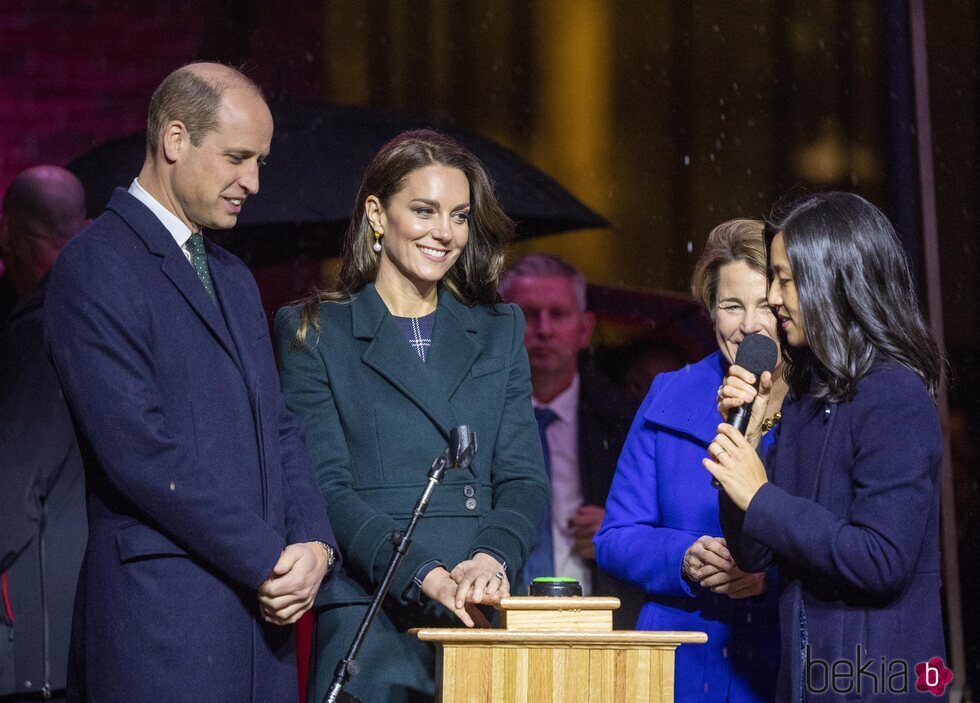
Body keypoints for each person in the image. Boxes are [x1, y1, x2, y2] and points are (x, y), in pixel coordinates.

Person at [44, 63, 338, 703]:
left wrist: (314, 542)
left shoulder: (231, 275)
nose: (253, 182)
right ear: (175, 139)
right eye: (237, 157)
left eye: (259, 161)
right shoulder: (95, 264)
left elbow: (278, 424)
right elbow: (140, 452)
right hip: (166, 627)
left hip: (261, 633)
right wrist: (268, 558)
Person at [276, 129, 549, 703]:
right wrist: (421, 571)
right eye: (424, 211)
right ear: (377, 214)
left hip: (480, 611)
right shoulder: (314, 333)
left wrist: (490, 556)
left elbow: (523, 478)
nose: (444, 233)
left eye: (459, 215)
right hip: (370, 614)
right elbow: (326, 491)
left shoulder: (500, 329)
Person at [705, 193, 947, 701]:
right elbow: (752, 552)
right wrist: (743, 446)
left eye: (784, 279)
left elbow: (881, 560)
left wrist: (762, 496)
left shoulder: (893, 395)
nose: (772, 297)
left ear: (833, 281)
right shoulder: (806, 400)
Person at [594, 219, 782, 702]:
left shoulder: (821, 408)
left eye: (765, 305)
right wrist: (684, 558)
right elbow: (615, 538)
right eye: (731, 306)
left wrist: (766, 573)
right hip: (674, 661)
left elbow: (847, 544)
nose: (749, 326)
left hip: (775, 660)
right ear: (710, 313)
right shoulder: (670, 395)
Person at [498, 253, 644, 628]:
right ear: (503, 328)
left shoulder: (628, 422)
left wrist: (618, 532)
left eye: (558, 314)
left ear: (585, 329)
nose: (544, 329)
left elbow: (669, 528)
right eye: (529, 314)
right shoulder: (473, 420)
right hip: (497, 617)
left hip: (597, 618)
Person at [0, 166, 88, 703]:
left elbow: (14, 487)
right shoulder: (99, 314)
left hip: (35, 633)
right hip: (74, 613)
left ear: (12, 233)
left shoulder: (44, 330)